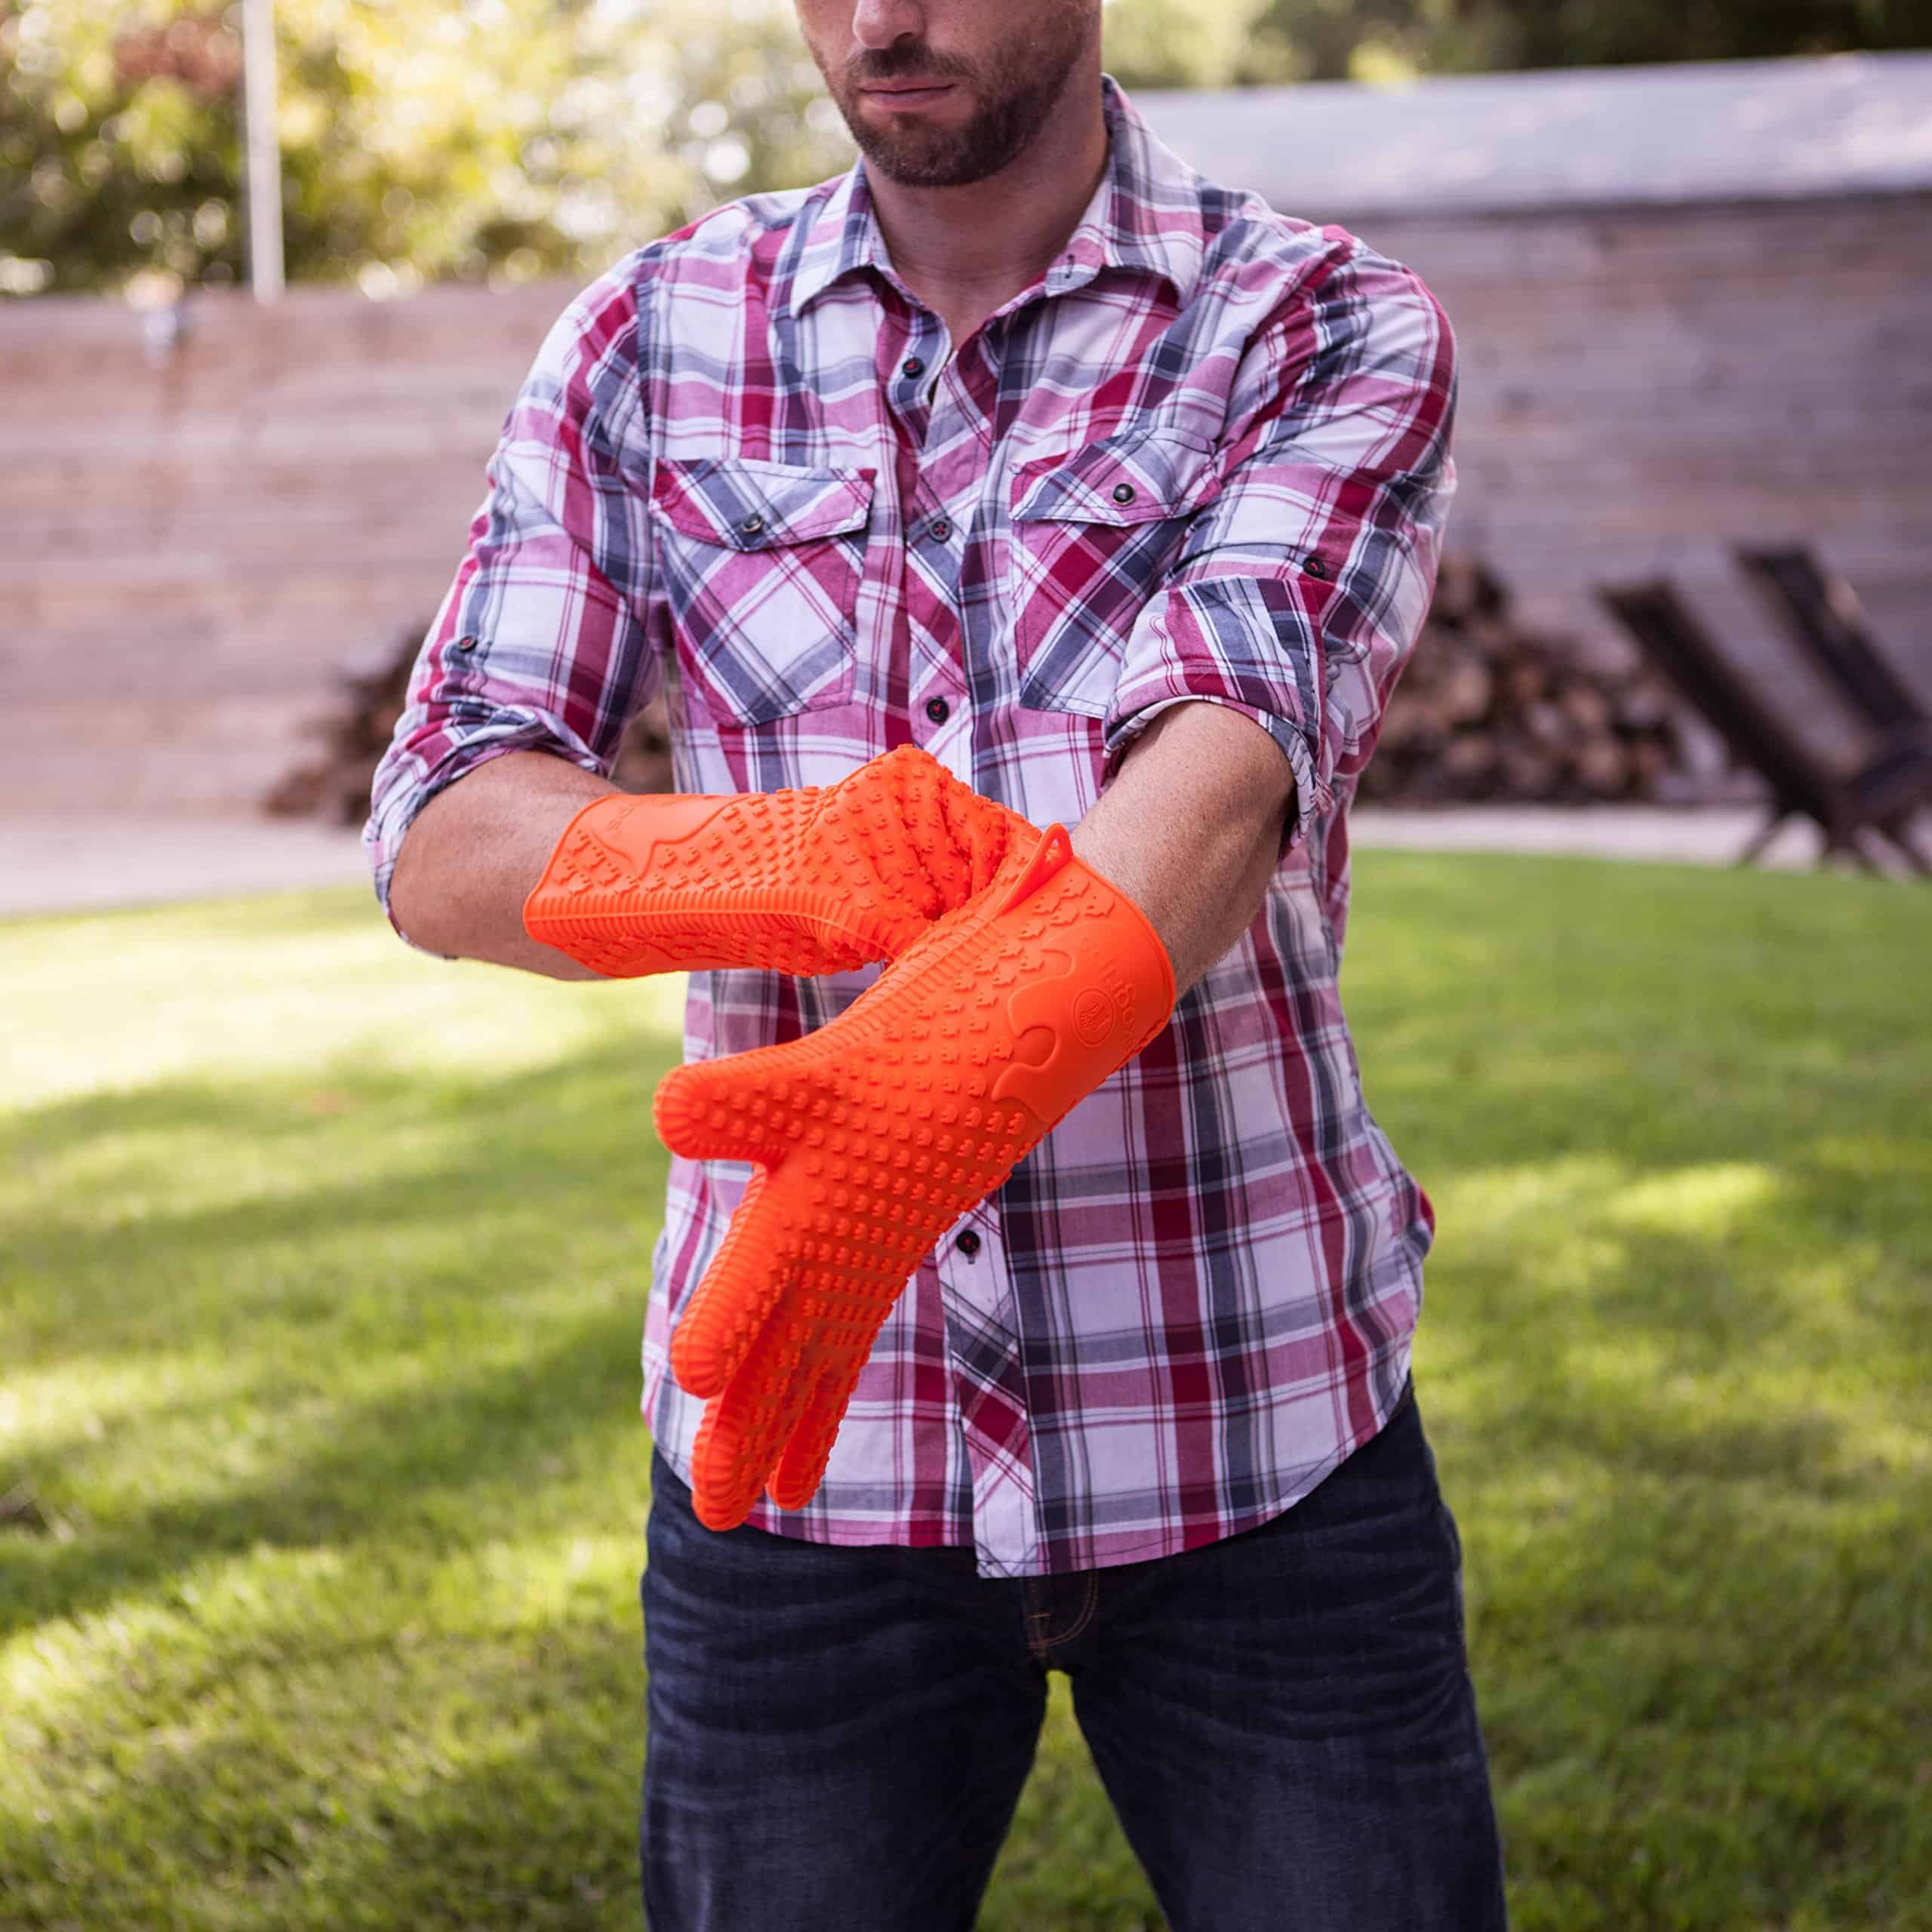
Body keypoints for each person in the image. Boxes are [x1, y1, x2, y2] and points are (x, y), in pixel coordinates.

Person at [365, 2, 1506, 1926]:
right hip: (807, 1439)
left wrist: (947, 1058)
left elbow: (1223, 772)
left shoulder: (1312, 319)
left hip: (1248, 1420)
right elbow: (440, 828)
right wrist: (794, 859)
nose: (885, 16)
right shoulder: (651, 335)